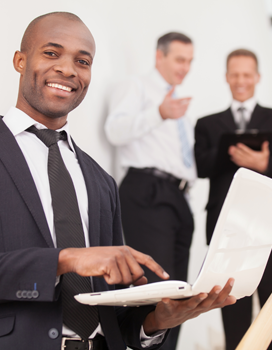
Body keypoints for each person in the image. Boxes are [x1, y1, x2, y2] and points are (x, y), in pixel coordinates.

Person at [0, 12, 236, 350]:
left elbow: (110, 310)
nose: (68, 69)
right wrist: (65, 259)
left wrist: (155, 322)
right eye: (51, 53)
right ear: (20, 61)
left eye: (83, 61)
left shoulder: (101, 182)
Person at [195, 49, 272, 350]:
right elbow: (201, 167)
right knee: (232, 307)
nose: (241, 80)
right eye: (235, 74)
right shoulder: (207, 123)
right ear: (227, 77)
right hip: (228, 229)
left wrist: (264, 164)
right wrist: (233, 154)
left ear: (257, 77)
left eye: (247, 74)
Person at [105, 32, 196, 350]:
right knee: (157, 295)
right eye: (179, 59)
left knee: (179, 297)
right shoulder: (138, 88)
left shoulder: (179, 102)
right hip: (148, 193)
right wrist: (159, 112)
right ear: (160, 56)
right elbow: (114, 130)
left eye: (190, 61)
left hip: (178, 199)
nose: (186, 67)